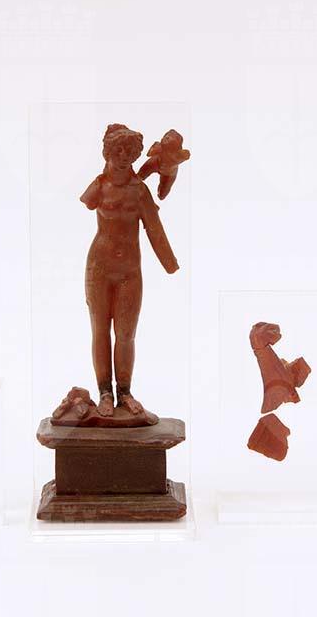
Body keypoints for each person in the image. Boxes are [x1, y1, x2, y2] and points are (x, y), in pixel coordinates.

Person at [80, 123, 179, 417]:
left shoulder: (139, 192)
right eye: (118, 150)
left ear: (136, 155)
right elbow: (87, 201)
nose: (124, 156)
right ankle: (104, 393)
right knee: (100, 330)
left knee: (125, 334)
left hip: (129, 272)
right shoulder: (99, 186)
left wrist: (170, 264)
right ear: (108, 152)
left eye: (130, 151)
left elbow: (154, 229)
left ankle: (124, 392)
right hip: (98, 268)